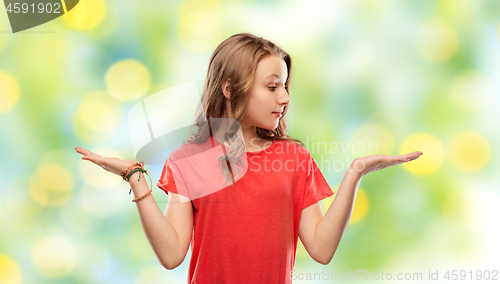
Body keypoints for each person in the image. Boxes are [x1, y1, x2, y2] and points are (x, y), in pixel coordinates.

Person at [75, 33, 423, 284]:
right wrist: (136, 177)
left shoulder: (294, 158)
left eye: (285, 86)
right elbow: (171, 255)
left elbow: (321, 248)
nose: (285, 97)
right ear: (229, 88)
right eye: (272, 87)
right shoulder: (189, 161)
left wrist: (355, 173)